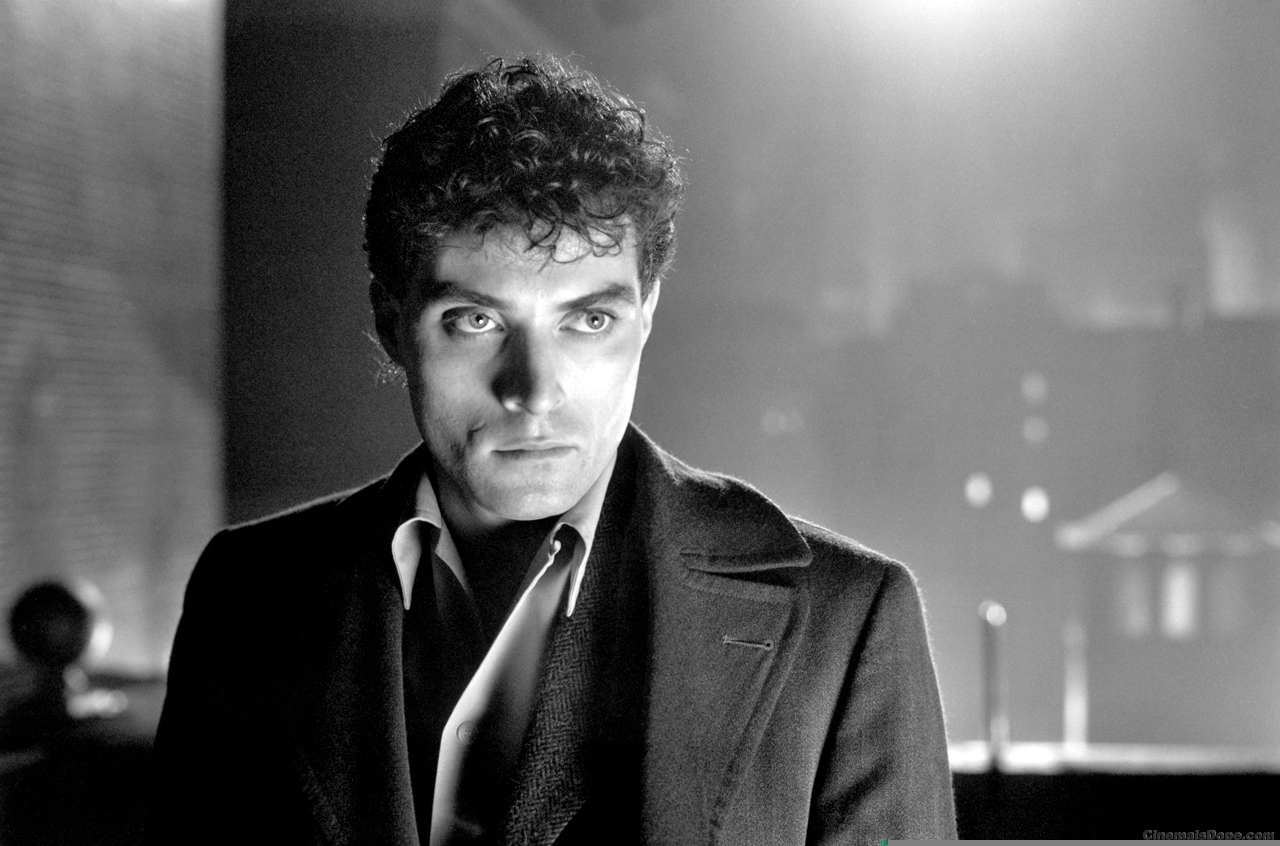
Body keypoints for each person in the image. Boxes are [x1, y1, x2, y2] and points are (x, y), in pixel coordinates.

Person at [148, 55, 955, 844]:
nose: (533, 390)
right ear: (392, 322)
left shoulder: (847, 621)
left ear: (645, 317)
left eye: (589, 320)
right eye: (476, 321)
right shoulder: (245, 597)